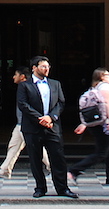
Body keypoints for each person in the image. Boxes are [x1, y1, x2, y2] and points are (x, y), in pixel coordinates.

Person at [16, 55, 77, 199]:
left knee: (58, 158)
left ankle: (62, 188)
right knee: (35, 159)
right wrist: (39, 119)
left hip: (52, 126)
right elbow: (23, 104)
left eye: (48, 66)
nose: (47, 69)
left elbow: (61, 103)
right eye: (43, 66)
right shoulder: (25, 85)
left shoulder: (55, 84)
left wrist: (51, 117)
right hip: (32, 127)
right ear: (34, 68)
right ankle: (40, 188)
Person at [0, 67, 50, 179]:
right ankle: (5, 170)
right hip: (20, 123)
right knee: (14, 146)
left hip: (27, 124)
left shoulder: (29, 88)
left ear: (22, 77)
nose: (13, 77)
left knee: (38, 148)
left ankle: (53, 169)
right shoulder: (24, 87)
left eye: (15, 74)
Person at [69, 67, 109, 186]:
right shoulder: (104, 87)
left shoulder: (96, 88)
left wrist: (84, 124)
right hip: (104, 124)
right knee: (102, 152)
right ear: (101, 77)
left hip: (100, 123)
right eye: (107, 75)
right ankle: (74, 171)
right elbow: (106, 105)